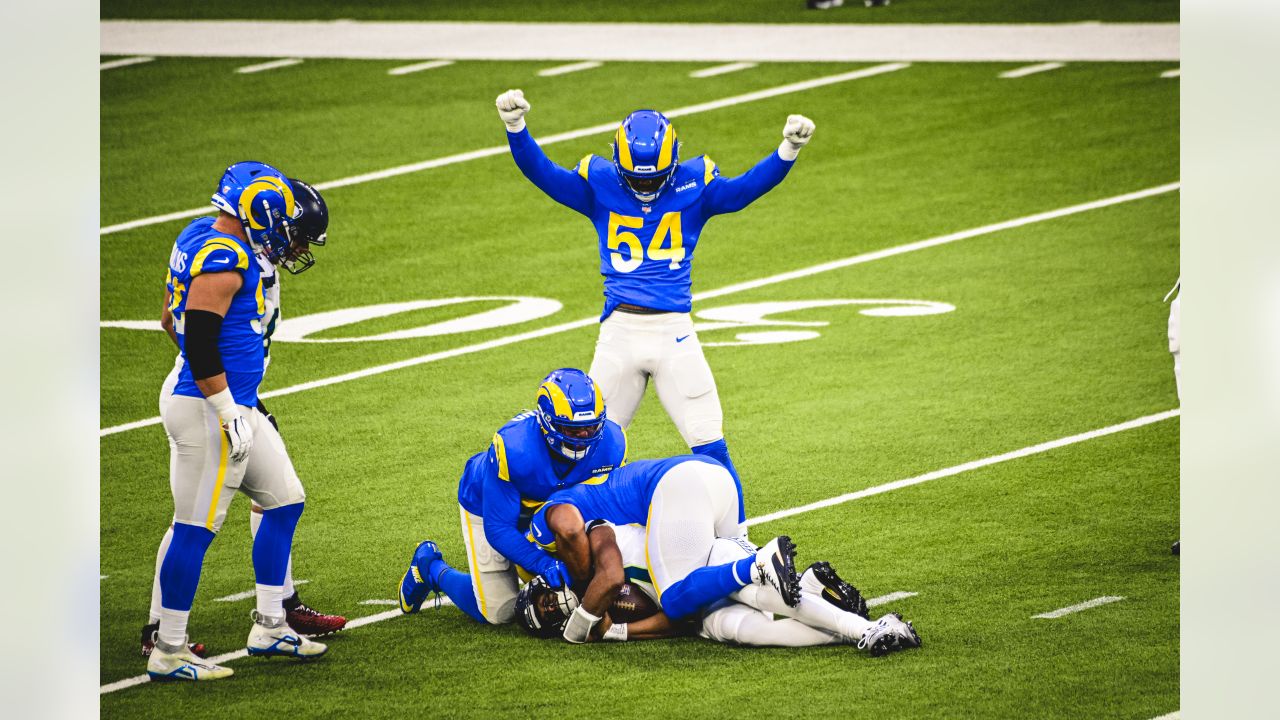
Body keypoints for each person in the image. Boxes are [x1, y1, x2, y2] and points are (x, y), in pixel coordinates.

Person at [495, 88, 816, 523]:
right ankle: (576, 549)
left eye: (653, 177)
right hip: (623, 334)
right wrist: (516, 129)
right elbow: (545, 175)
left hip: (669, 334)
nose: (645, 186)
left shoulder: (674, 183)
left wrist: (787, 150)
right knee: (585, 455)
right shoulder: (639, 182)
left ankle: (738, 543)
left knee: (710, 444)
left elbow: (742, 192)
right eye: (637, 177)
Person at [142, 178, 346, 659]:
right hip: (208, 409)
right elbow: (194, 337)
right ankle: (167, 645)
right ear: (264, 214)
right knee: (193, 526)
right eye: (291, 230)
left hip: (233, 403)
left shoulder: (209, 239)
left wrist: (239, 398)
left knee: (285, 500)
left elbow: (171, 322)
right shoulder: (226, 259)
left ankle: (272, 624)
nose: (294, 243)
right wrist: (225, 405)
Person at [520, 475, 921, 655]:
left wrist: (584, 622)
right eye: (549, 617)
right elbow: (680, 623)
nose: (555, 608)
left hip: (710, 553)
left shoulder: (596, 540)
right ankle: (861, 630)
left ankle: (859, 623)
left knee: (757, 593)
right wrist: (619, 633)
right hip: (698, 592)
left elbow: (612, 575)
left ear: (547, 585)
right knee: (739, 631)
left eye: (544, 603)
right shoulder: (606, 613)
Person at [398, 368, 627, 625]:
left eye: (590, 427)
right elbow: (498, 528)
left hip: (555, 508)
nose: (584, 438)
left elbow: (610, 507)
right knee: (500, 612)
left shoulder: (612, 443)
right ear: (546, 423)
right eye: (572, 430)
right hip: (490, 504)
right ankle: (430, 569)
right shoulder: (514, 447)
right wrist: (543, 564)